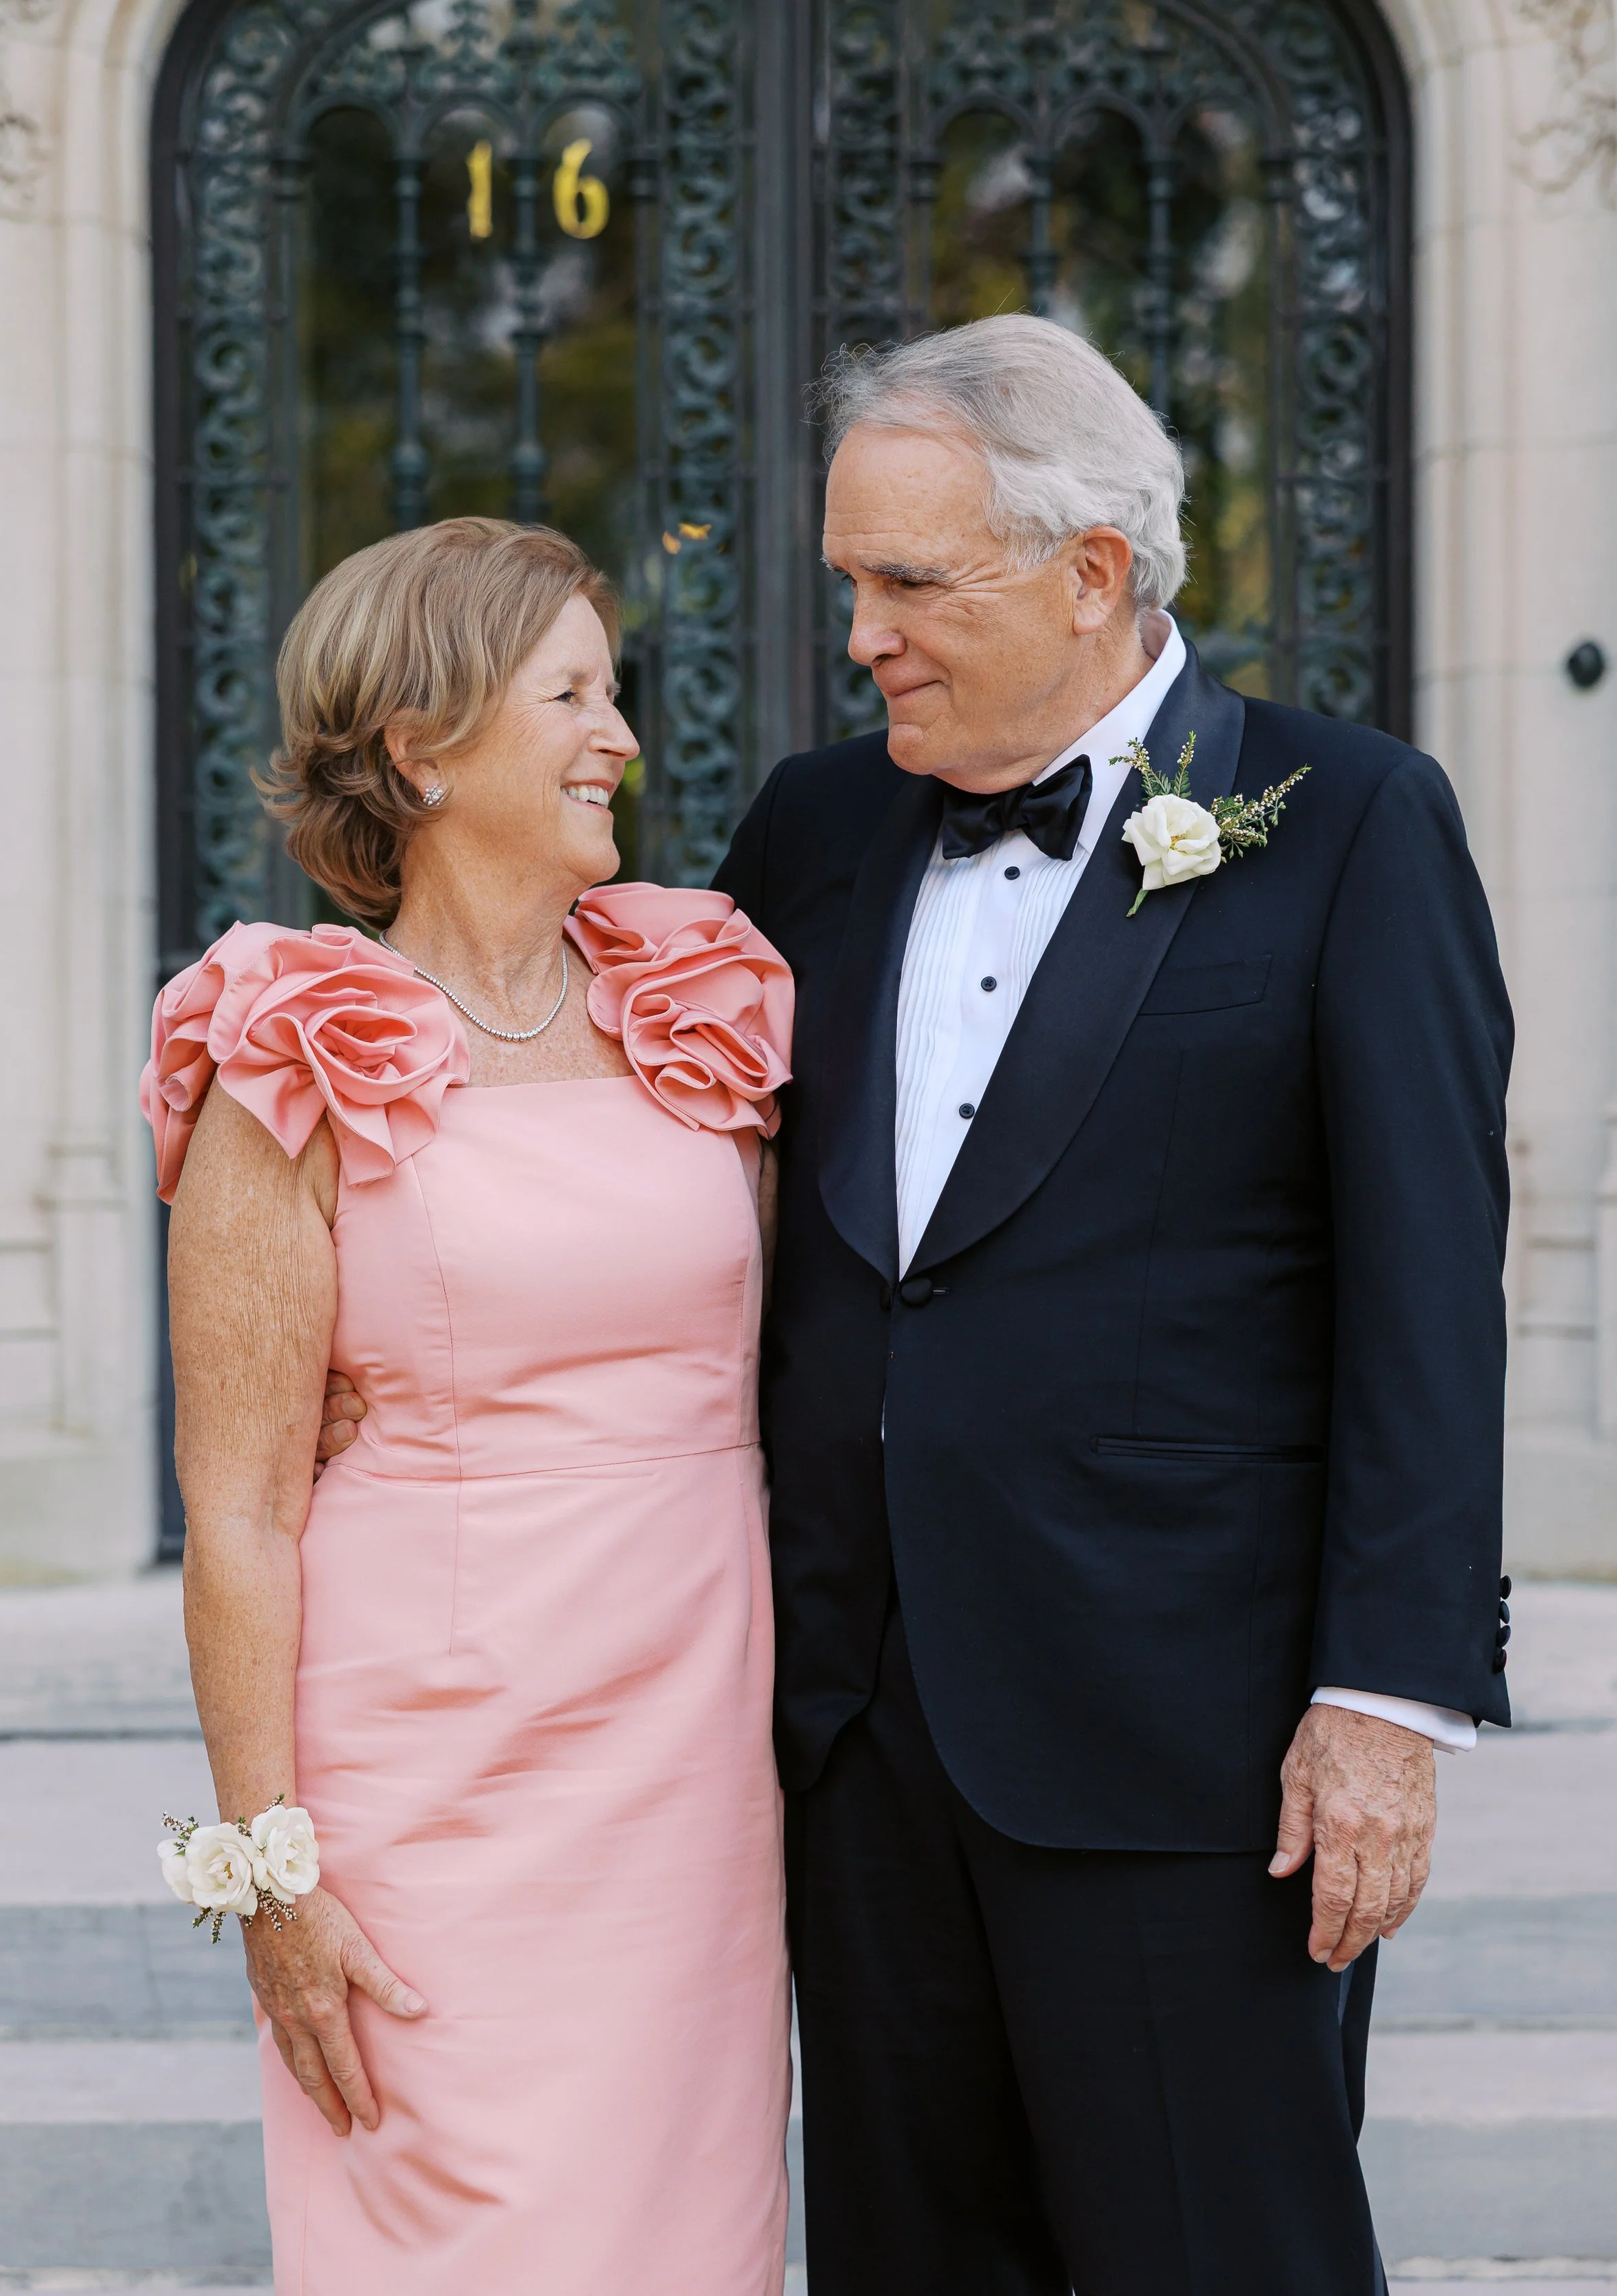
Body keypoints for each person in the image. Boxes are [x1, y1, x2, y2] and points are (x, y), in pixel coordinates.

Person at [315, 318, 1514, 2290]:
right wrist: (384, 1327)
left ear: (1092, 573)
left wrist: (1382, 1701)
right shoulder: (810, 831)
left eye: (907, 583)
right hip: (852, 1733)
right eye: (851, 581)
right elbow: (614, 1144)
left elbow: (1423, 1292)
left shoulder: (1350, 819)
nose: (860, 631)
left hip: (1184, 1758)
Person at [143, 517, 794, 2296]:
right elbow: (246, 1505)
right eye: (571, 692)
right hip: (426, 1763)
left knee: (689, 2236)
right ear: (421, 745)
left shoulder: (704, 1005)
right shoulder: (290, 1036)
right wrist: (272, 1876)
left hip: (690, 1757)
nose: (623, 738)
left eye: (617, 690)